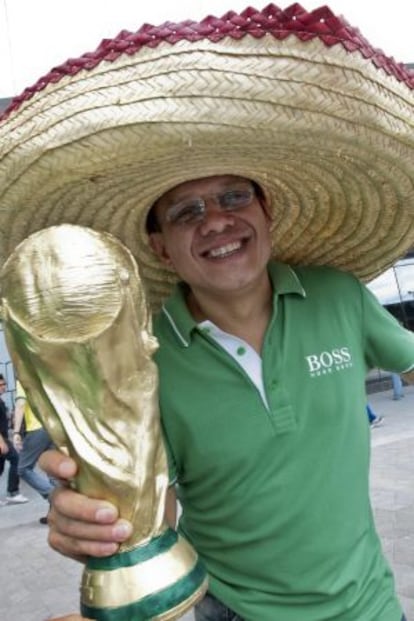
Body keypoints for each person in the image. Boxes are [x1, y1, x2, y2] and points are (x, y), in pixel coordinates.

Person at [0, 5, 413, 621]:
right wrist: (102, 521)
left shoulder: (339, 294)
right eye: (185, 211)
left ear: (266, 213)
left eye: (233, 196)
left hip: (372, 606)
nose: (217, 220)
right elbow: (152, 506)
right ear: (160, 246)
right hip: (233, 611)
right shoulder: (139, 360)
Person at [12, 380, 55, 523]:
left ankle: (54, 495)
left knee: (23, 468)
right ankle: (56, 514)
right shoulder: (41, 372)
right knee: (53, 470)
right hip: (53, 427)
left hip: (37, 429)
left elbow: (20, 404)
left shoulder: (24, 377)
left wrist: (16, 431)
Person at [0, 374, 29, 505]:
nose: (4, 387)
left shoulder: (1, 401)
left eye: (4, 384)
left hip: (4, 437)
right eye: (1, 385)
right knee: (16, 460)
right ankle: (13, 492)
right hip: (1, 439)